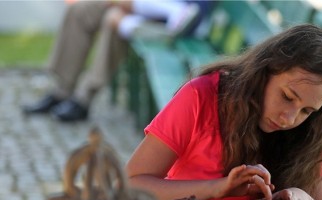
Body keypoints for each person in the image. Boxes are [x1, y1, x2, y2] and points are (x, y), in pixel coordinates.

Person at [125, 24, 322, 200]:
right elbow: (132, 185)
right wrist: (218, 188)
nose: (289, 118)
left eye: (307, 110)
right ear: (265, 71)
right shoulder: (201, 97)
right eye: (287, 97)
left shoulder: (314, 129)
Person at [22, 0, 204, 122]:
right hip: (146, 6)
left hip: (176, 11)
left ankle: (84, 97)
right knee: (78, 10)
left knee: (113, 19)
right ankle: (62, 89)